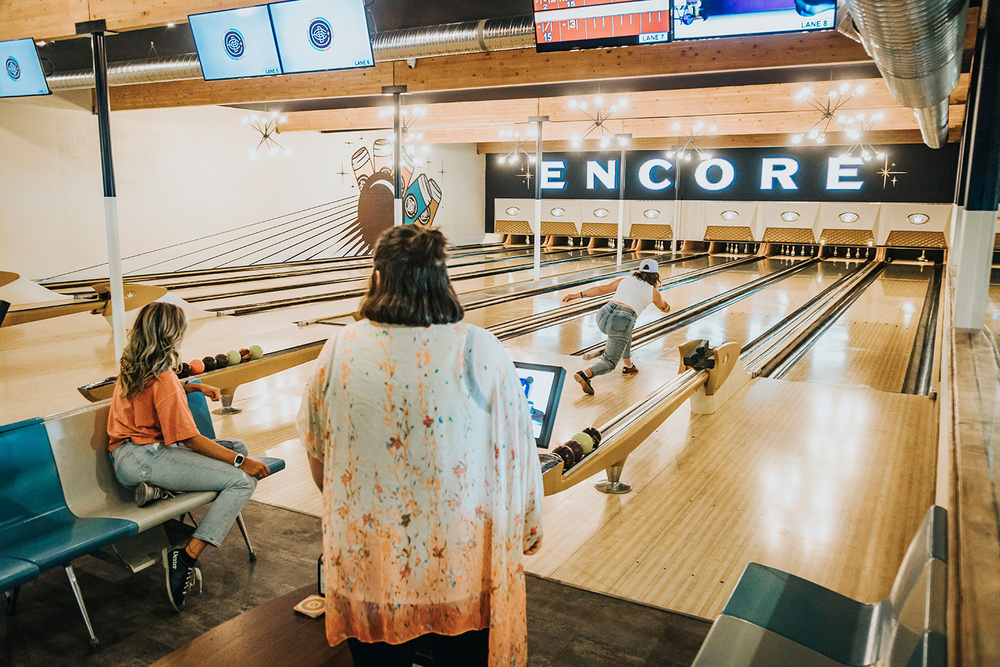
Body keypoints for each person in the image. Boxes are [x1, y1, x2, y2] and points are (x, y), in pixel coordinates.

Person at [297, 225, 543, 667]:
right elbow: (519, 451)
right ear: (444, 281)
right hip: (458, 563)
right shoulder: (479, 348)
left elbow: (320, 457)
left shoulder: (339, 347)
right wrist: (527, 526)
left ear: (377, 278)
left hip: (368, 560)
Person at [106, 301, 271, 612]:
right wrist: (241, 465)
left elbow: (156, 392)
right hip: (145, 459)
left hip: (128, 456)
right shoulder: (164, 376)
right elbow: (191, 440)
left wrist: (193, 387)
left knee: (237, 446)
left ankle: (159, 491)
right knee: (241, 481)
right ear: (172, 335)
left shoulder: (134, 364)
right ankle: (186, 556)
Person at [562, 258, 670, 395]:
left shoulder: (625, 280)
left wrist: (577, 295)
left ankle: (628, 365)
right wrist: (667, 307)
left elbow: (602, 289)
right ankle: (586, 374)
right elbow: (663, 306)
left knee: (626, 334)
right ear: (656, 275)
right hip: (620, 322)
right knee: (610, 362)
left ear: (640, 271)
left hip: (603, 315)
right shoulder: (653, 292)